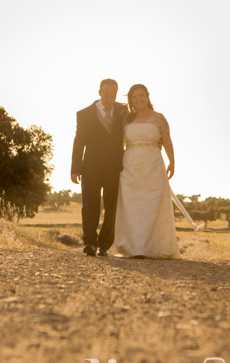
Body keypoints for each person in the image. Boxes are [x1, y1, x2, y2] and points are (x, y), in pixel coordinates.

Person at [111, 83, 180, 259]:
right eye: (135, 97)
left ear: (148, 97)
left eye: (142, 95)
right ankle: (133, 247)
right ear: (131, 100)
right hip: (130, 165)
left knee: (152, 204)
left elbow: (167, 141)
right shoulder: (126, 119)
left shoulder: (159, 118)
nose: (139, 99)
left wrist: (172, 162)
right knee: (131, 204)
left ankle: (154, 247)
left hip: (153, 164)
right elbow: (120, 143)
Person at [71, 79, 127, 257]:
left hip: (115, 167)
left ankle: (104, 245)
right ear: (99, 92)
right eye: (106, 94)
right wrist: (75, 168)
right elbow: (78, 142)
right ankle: (90, 243)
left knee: (112, 207)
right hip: (91, 167)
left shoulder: (123, 110)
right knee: (90, 206)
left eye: (113, 95)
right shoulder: (84, 114)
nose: (110, 99)